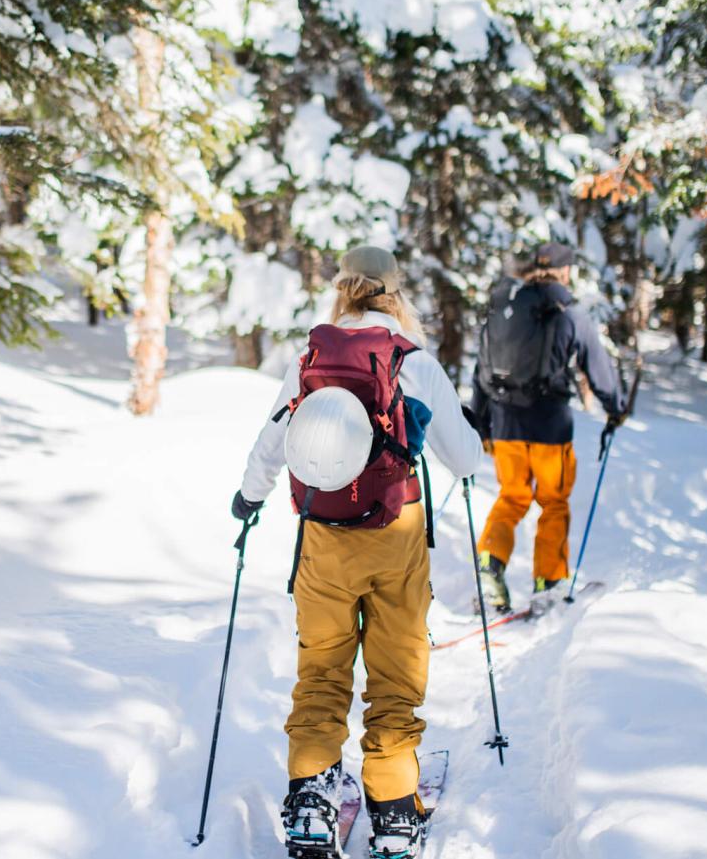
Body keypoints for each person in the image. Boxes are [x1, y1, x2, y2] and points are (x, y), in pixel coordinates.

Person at [231, 245, 484, 859]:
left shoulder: (313, 356)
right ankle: (395, 815)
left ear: (342, 289)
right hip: (398, 536)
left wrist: (248, 499)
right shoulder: (413, 362)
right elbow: (466, 459)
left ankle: (312, 804)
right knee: (394, 678)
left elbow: (273, 440)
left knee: (321, 673)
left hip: (323, 535)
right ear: (395, 293)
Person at [469, 242, 626, 613]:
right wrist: (615, 408)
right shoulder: (568, 311)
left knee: (511, 498)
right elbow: (598, 368)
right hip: (550, 426)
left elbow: (481, 371)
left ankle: (489, 566)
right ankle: (549, 582)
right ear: (565, 271)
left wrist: (481, 422)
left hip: (505, 424)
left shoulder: (506, 308)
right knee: (553, 503)